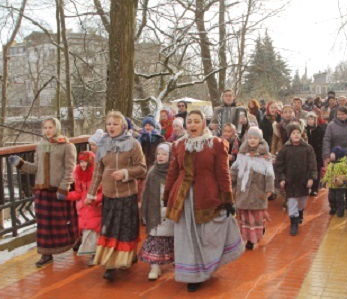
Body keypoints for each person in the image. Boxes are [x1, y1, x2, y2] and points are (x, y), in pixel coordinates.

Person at [163, 110, 244, 292]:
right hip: (183, 198)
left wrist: (227, 199)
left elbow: (223, 173)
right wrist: (167, 195)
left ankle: (207, 266)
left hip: (207, 196)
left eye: (196, 121)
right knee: (187, 237)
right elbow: (173, 172)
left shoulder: (215, 144)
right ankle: (193, 275)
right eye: (189, 121)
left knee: (207, 235)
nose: (192, 125)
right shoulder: (179, 145)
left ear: (203, 124)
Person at [8, 117, 78, 267]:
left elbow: (70, 169)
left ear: (57, 128)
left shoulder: (67, 146)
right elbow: (36, 168)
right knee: (44, 225)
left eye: (50, 127)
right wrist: (20, 163)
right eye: (45, 128)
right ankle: (46, 253)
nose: (47, 130)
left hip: (58, 191)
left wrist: (64, 187)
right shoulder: (40, 146)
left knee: (64, 221)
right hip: (42, 192)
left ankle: (75, 241)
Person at [86, 111, 147, 281]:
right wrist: (91, 194)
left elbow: (142, 168)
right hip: (108, 195)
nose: (111, 127)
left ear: (123, 126)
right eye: (109, 124)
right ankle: (110, 265)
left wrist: (126, 173)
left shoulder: (133, 144)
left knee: (126, 228)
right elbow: (98, 172)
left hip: (127, 195)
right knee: (110, 229)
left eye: (115, 124)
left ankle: (128, 255)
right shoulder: (102, 144)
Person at [230, 127, 274, 250]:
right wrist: (230, 181)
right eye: (250, 138)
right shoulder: (242, 154)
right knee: (245, 217)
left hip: (257, 191)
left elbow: (269, 173)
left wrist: (269, 188)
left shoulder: (265, 156)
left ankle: (258, 233)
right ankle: (249, 239)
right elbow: (234, 170)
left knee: (256, 216)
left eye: (255, 138)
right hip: (243, 191)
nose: (252, 140)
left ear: (260, 139)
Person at [139, 143, 175, 280]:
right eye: (159, 154)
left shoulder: (174, 172)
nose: (160, 156)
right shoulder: (152, 172)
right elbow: (146, 193)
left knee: (173, 238)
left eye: (164, 154)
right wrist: (145, 211)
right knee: (156, 239)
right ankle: (155, 266)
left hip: (171, 212)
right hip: (156, 213)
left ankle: (177, 262)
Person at [275, 123, 317, 236]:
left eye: (298, 133)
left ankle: (300, 212)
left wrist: (311, 178)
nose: (296, 135)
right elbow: (279, 165)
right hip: (290, 181)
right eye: (294, 133)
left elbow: (312, 165)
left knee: (302, 201)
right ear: (290, 135)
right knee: (292, 201)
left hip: (303, 180)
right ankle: (293, 222)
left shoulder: (308, 148)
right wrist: (282, 178)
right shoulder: (285, 149)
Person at [323, 106, 347, 210]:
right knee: (336, 179)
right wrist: (326, 155)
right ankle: (335, 202)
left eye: (343, 114)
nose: (341, 116)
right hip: (337, 156)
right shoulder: (331, 125)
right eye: (339, 114)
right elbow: (327, 140)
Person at [66, 151, 102, 266]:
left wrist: (94, 200)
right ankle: (94, 254)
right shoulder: (79, 176)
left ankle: (95, 255)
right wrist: (66, 195)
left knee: (93, 232)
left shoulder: (97, 176)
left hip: (94, 208)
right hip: (83, 209)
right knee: (87, 231)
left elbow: (103, 193)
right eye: (81, 161)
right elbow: (78, 193)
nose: (82, 164)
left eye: (85, 162)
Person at [322, 146, 347, 217]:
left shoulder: (343, 165)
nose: (331, 155)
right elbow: (327, 174)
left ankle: (340, 210)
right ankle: (333, 208)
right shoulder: (331, 164)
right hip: (331, 185)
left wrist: (345, 179)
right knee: (331, 198)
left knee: (340, 198)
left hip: (340, 186)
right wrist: (324, 181)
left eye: (333, 153)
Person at [305, 111, 325, 196]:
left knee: (316, 170)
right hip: (307, 154)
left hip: (317, 153)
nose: (310, 121)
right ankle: (307, 187)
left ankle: (315, 188)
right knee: (306, 170)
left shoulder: (320, 130)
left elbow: (323, 142)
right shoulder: (305, 130)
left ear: (315, 120)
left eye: (312, 119)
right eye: (308, 119)